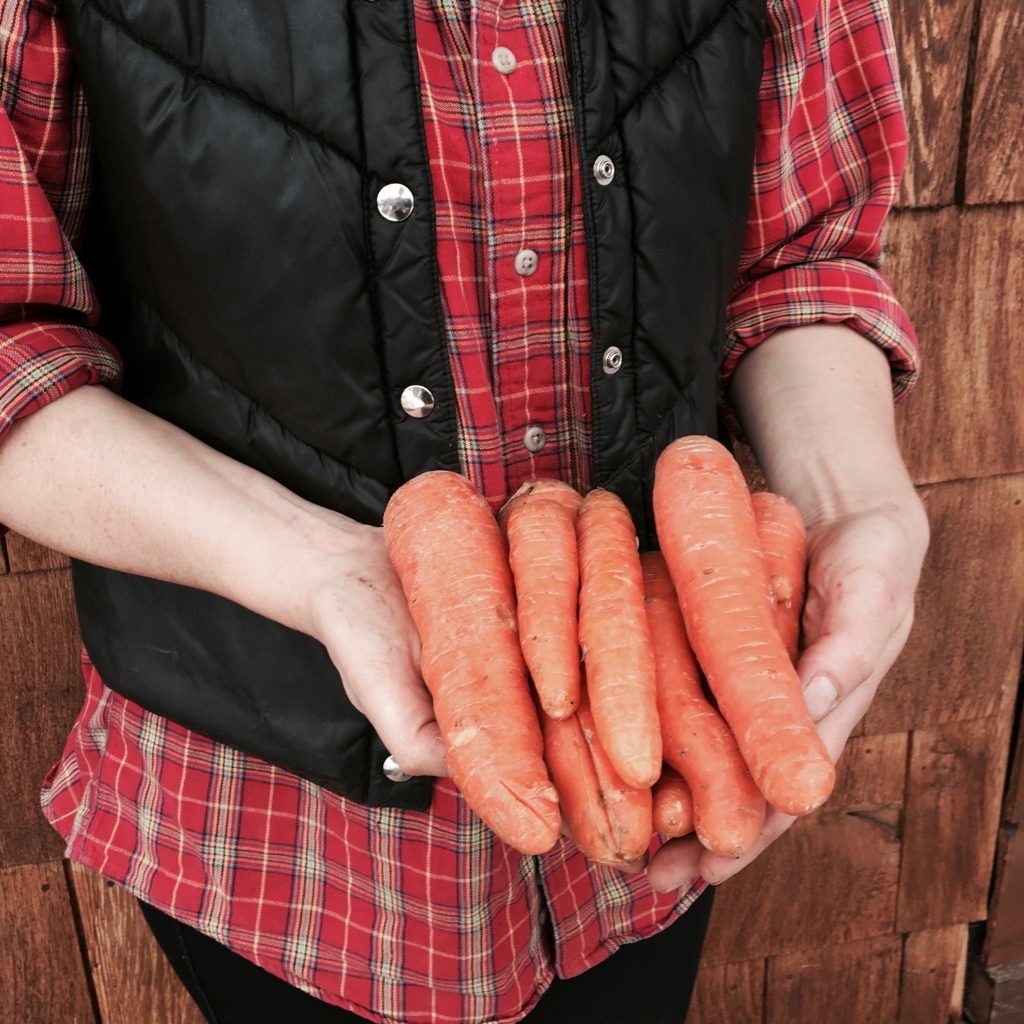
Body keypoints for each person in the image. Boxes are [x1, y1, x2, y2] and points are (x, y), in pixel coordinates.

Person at [0, 0, 928, 1022]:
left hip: (656, 762)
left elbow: (798, 256)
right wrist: (318, 568)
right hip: (276, 813)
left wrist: (853, 499)